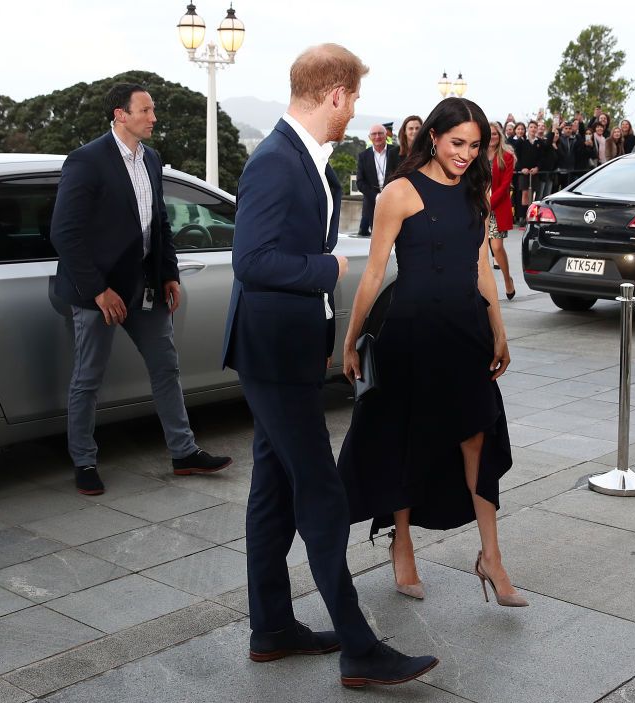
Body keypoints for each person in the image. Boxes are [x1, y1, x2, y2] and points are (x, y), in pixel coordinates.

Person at [222, 43, 438, 688]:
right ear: (336, 94)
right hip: (272, 354)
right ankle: (359, 648)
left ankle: (272, 628)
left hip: (283, 351)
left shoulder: (304, 159)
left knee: (273, 494)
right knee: (321, 492)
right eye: (354, 99)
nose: (354, 112)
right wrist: (328, 269)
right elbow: (252, 260)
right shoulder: (276, 162)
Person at [337, 96, 526, 608]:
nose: (465, 154)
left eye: (474, 145)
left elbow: (482, 266)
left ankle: (492, 557)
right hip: (411, 334)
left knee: (477, 440)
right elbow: (374, 272)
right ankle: (402, 544)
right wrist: (351, 339)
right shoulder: (398, 192)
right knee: (406, 441)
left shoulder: (474, 189)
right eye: (457, 143)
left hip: (466, 333)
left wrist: (499, 329)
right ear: (435, 137)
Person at [50, 82, 231, 496]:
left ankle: (184, 453)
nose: (154, 117)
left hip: (145, 287)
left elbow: (159, 223)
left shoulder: (151, 159)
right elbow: (65, 233)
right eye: (146, 110)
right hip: (98, 293)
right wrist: (98, 290)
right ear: (120, 115)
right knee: (88, 378)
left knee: (166, 367)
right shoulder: (86, 161)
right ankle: (84, 461)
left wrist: (169, 274)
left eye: (152, 111)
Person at [487, 121, 517, 299]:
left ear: (500, 136)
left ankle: (507, 279)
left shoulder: (506, 156)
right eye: (489, 133)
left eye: (495, 133)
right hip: (478, 207)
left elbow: (505, 185)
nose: (492, 136)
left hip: (496, 206)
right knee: (481, 251)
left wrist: (489, 203)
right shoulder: (477, 154)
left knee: (497, 247)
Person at [356, 124, 400, 236]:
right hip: (371, 203)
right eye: (374, 134)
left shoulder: (396, 152)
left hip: (393, 201)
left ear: (386, 135)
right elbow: (360, 182)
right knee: (375, 237)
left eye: (380, 133)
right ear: (369, 137)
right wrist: (376, 196)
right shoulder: (363, 156)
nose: (377, 137)